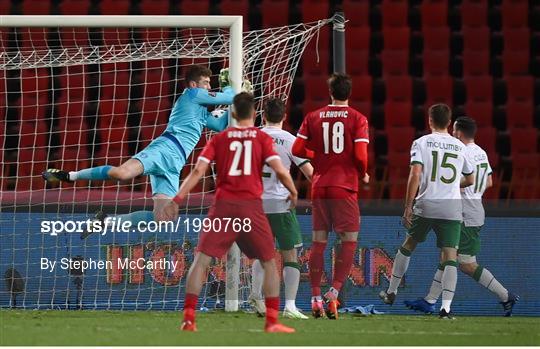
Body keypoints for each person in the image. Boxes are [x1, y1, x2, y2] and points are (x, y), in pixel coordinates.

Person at [163, 92, 297, 333]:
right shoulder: (261, 138)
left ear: (233, 114)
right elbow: (279, 168)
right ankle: (272, 322)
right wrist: (293, 190)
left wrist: (177, 199)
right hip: (251, 208)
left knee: (202, 260)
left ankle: (189, 319)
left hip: (223, 207)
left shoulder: (220, 139)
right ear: (254, 114)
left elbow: (197, 171)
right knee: (268, 262)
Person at [42, 65, 234, 226]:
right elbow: (229, 97)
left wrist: (231, 110)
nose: (209, 86)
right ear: (194, 84)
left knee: (164, 218)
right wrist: (232, 88)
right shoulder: (192, 95)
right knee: (121, 174)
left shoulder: (200, 112)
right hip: (164, 149)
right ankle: (69, 176)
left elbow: (219, 125)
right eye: (206, 82)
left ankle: (105, 221)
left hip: (175, 163)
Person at [404, 116, 519, 317]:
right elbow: (490, 182)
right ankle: (429, 301)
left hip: (465, 211)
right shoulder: (481, 152)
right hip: (473, 208)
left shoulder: (461, 150)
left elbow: (453, 180)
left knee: (465, 263)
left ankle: (505, 295)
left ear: (458, 132)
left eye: (453, 131)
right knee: (449, 257)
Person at [378, 104, 475, 319]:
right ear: (449, 123)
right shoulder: (460, 147)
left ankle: (392, 291)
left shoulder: (420, 143)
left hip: (426, 203)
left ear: (429, 120)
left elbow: (415, 175)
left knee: (409, 245)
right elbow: (470, 179)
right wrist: (450, 185)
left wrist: (407, 206)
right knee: (450, 255)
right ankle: (446, 308)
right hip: (450, 206)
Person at [292, 73, 369, 319]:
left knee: (318, 242)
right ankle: (333, 294)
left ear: (331, 92)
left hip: (320, 185)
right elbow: (360, 155)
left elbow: (297, 150)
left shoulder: (313, 116)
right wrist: (363, 173)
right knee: (349, 240)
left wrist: (322, 155)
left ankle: (315, 297)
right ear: (349, 92)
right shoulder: (358, 118)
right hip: (344, 186)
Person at [248, 97, 313, 320]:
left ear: (263, 115)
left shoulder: (251, 136)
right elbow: (309, 172)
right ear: (284, 117)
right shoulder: (290, 140)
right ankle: (290, 306)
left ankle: (257, 297)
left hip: (255, 204)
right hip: (281, 204)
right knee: (290, 254)